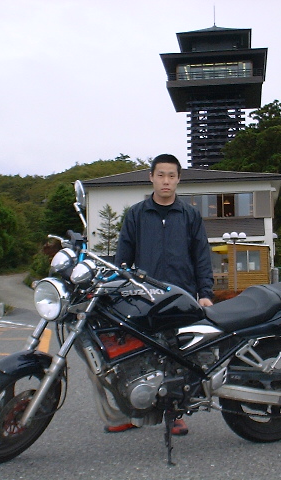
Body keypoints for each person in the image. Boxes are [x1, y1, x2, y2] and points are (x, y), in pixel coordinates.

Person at [106, 154, 214, 435]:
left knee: (176, 357)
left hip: (180, 297)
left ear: (178, 179)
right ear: (151, 177)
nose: (166, 181)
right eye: (161, 175)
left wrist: (205, 293)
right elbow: (123, 258)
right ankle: (130, 412)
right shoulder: (136, 214)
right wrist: (119, 291)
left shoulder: (189, 215)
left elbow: (202, 256)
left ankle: (174, 413)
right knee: (133, 355)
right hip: (144, 296)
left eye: (172, 176)